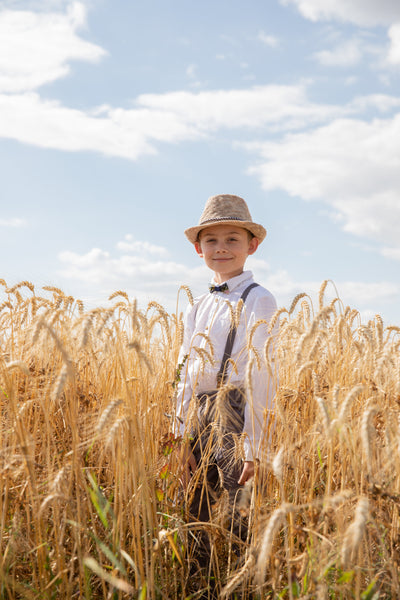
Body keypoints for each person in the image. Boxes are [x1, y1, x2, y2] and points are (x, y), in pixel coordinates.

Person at [175, 194, 278, 591]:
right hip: (198, 412)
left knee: (238, 513)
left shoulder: (259, 299)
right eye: (212, 240)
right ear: (198, 248)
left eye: (232, 239)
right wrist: (180, 432)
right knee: (194, 509)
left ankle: (238, 587)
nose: (221, 248)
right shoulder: (198, 304)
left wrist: (254, 445)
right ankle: (197, 586)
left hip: (237, 409)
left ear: (252, 245)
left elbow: (262, 374)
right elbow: (184, 371)